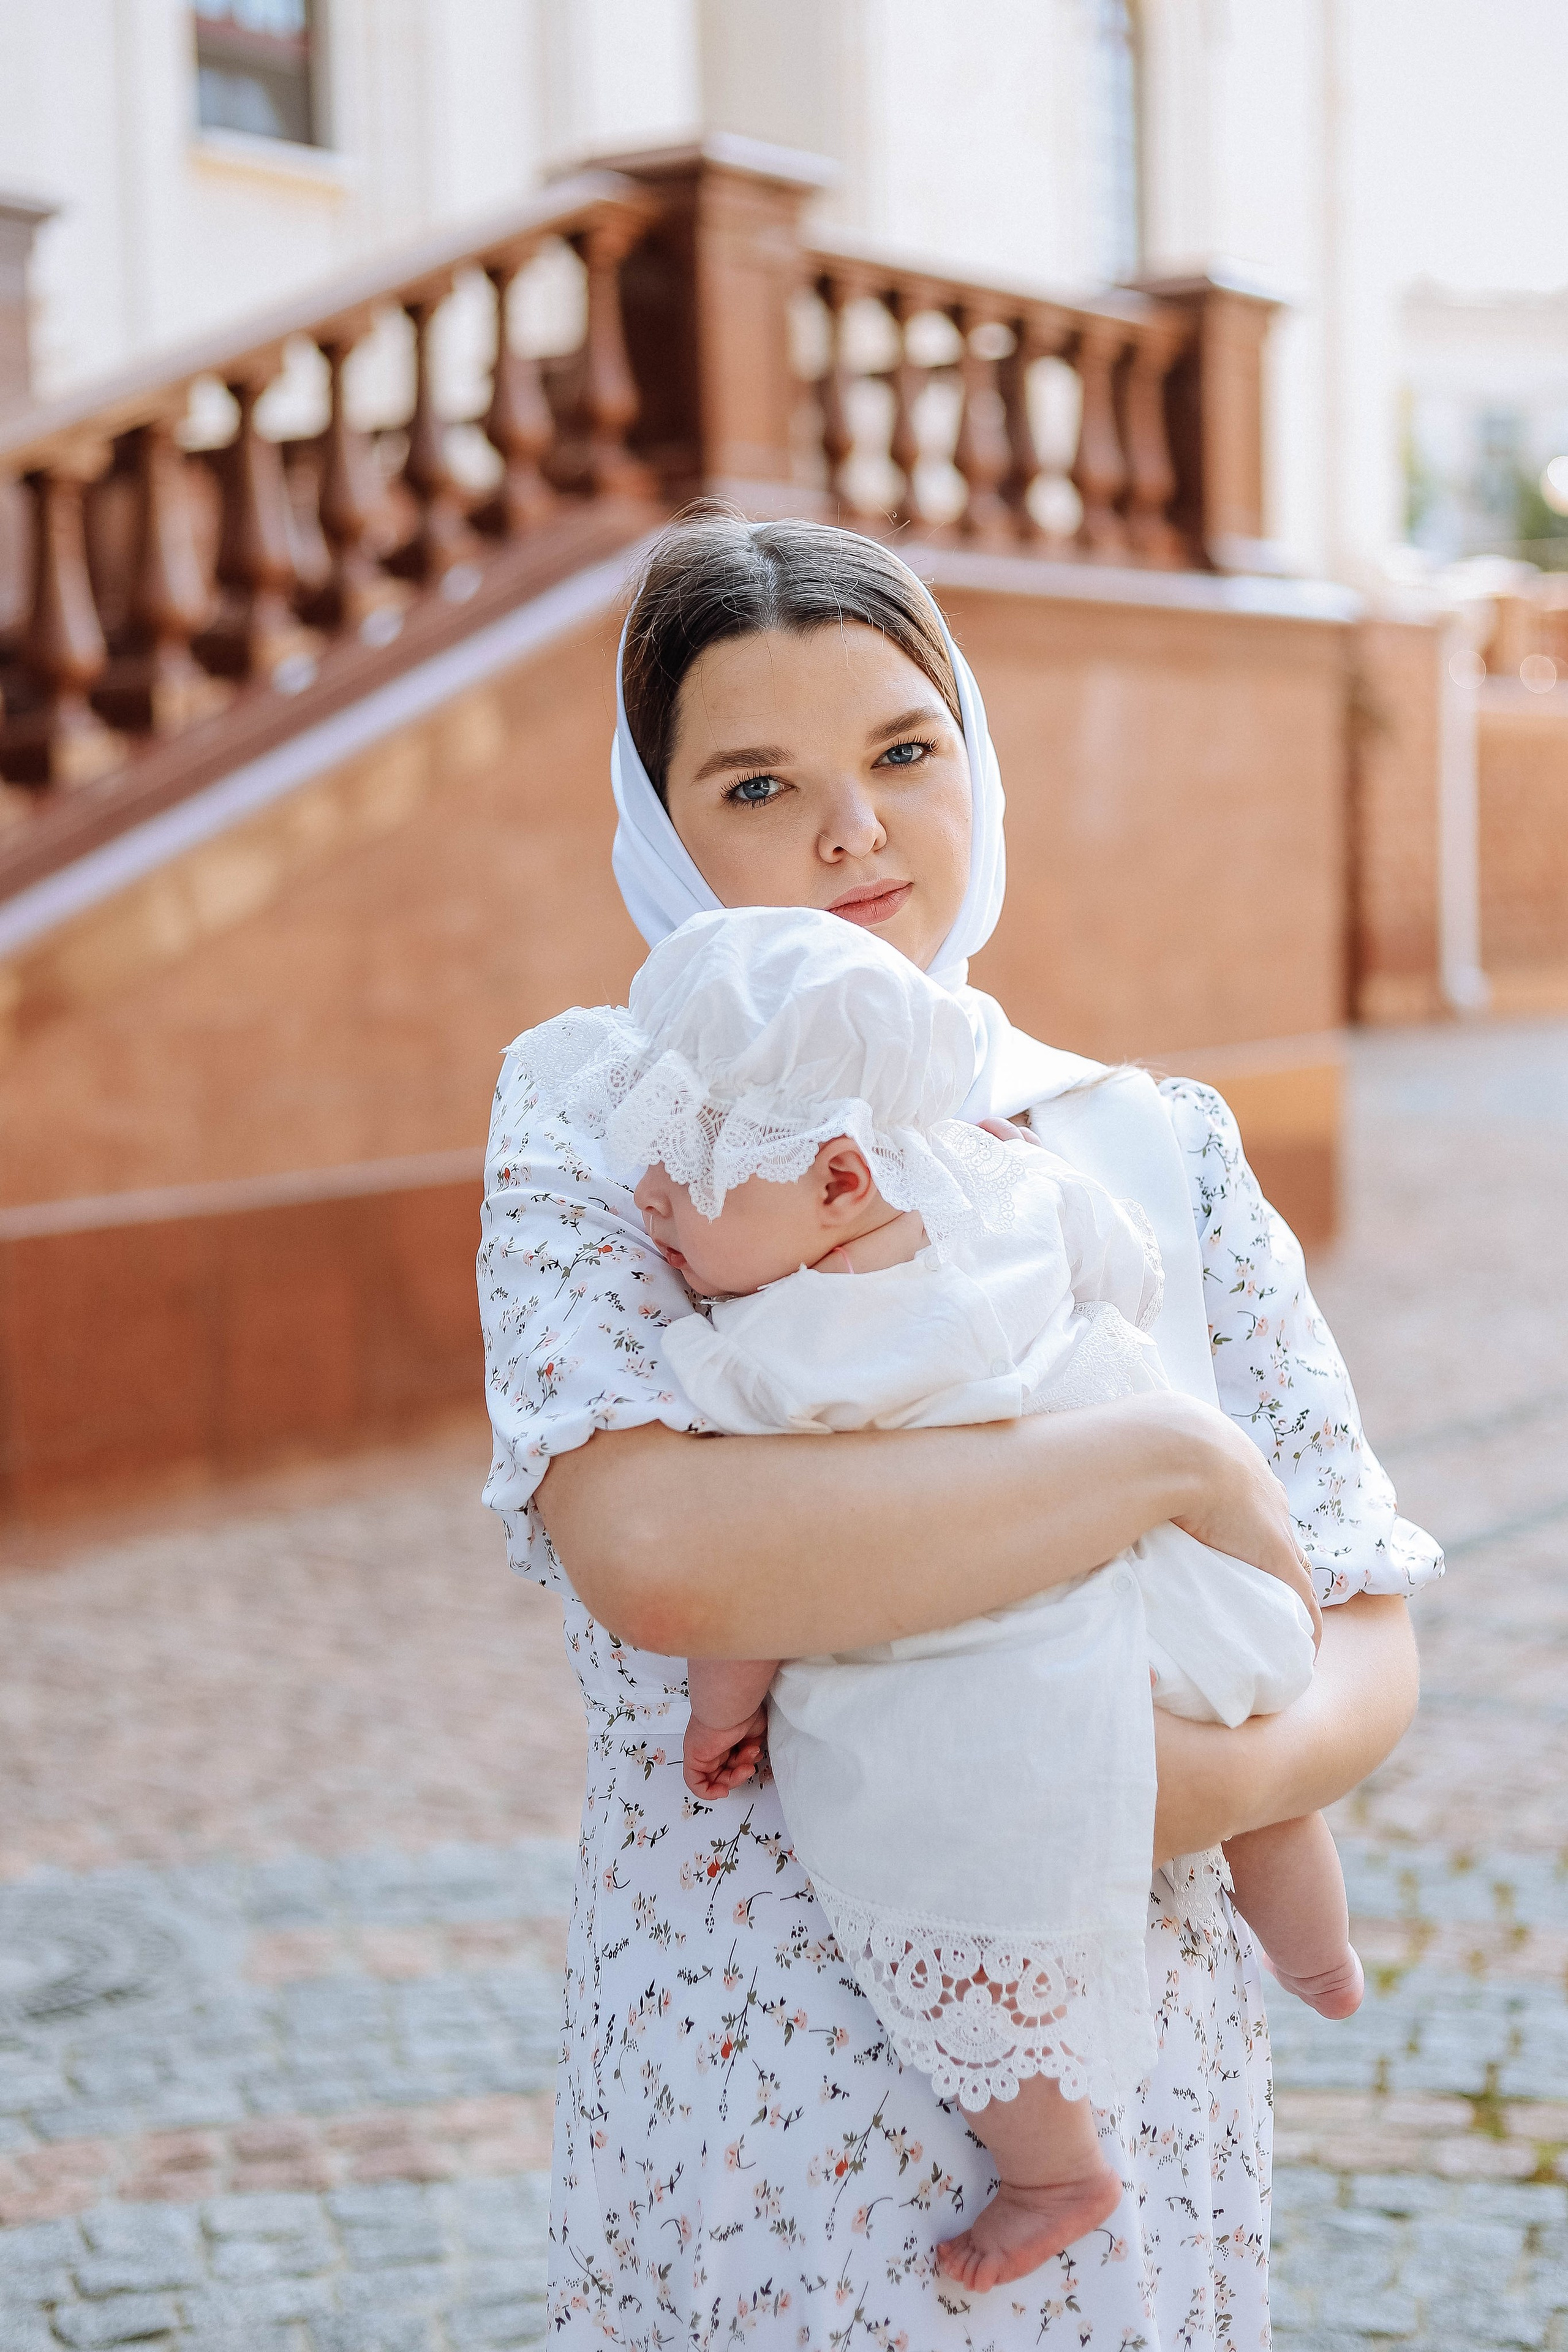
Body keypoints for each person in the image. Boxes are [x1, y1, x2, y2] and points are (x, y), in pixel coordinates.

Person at [478, 507, 1441, 2346]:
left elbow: (1366, 1621)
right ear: (658, 829)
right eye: (758, 785)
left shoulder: (1148, 1137)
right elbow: (663, 1551)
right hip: (759, 2096)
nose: (854, 830)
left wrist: (1170, 1781)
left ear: (975, 766)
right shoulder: (622, 1119)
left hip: (1124, 2094)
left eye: (904, 753)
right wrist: (1167, 1462)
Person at [513, 897, 1356, 2297]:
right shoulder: (1007, 1187)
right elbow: (1127, 1277)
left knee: (918, 1886)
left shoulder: (774, 1358)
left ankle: (1047, 2164)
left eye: (684, 1171)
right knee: (1264, 1775)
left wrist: (723, 1712)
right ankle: (1317, 1953)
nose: (648, 1200)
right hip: (1174, 1591)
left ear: (837, 1178)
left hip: (1005, 1659)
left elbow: (752, 1584)